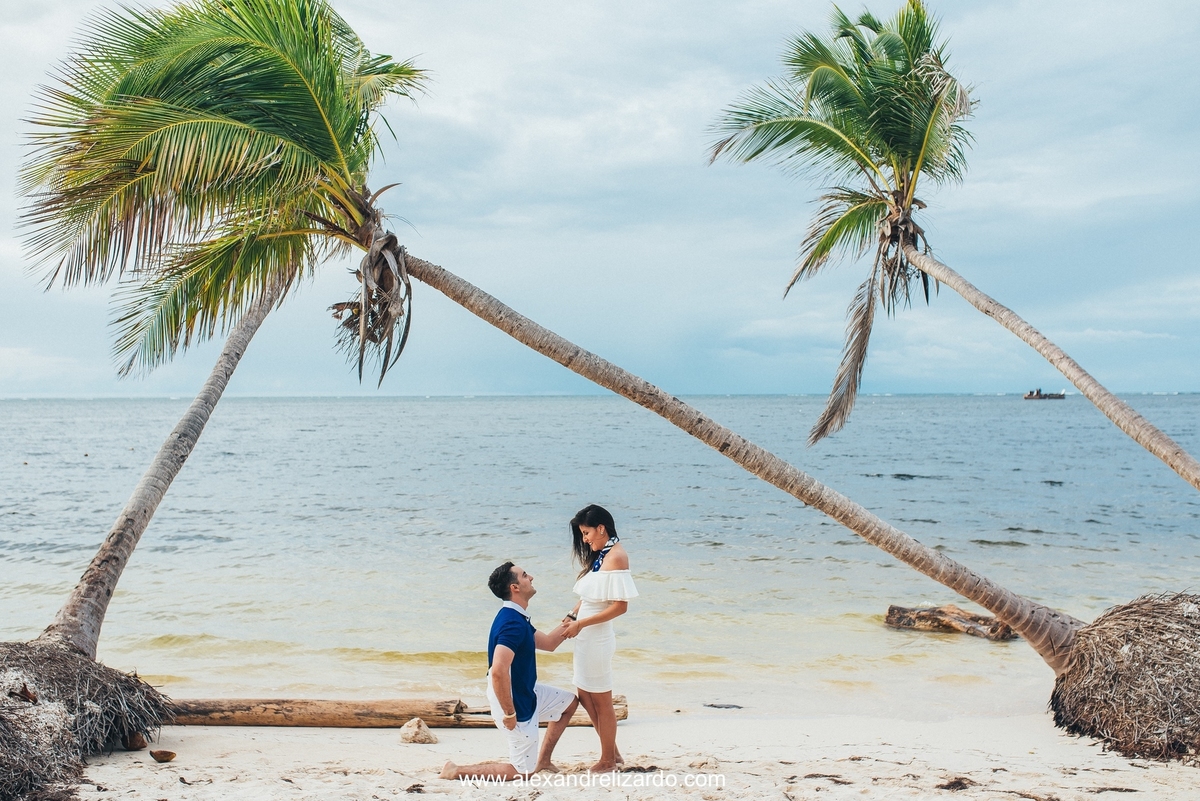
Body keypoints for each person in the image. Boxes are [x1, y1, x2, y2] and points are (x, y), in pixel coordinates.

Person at [440, 562, 578, 781]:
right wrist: (509, 714)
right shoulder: (511, 624)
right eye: (524, 575)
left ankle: (543, 760)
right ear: (515, 587)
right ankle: (455, 771)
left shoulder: (517, 618)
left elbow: (551, 643)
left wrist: (577, 610)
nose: (531, 577)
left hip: (527, 693)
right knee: (522, 772)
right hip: (513, 703)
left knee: (569, 703)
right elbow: (498, 671)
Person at [562, 504, 638, 772]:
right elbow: (590, 597)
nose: (585, 539)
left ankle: (607, 760)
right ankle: (613, 752)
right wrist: (572, 616)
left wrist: (581, 623)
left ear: (601, 528)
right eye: (582, 534)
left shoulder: (616, 556)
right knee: (584, 694)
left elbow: (620, 606)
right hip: (585, 634)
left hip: (597, 638)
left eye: (586, 533)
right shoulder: (601, 555)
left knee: (602, 700)